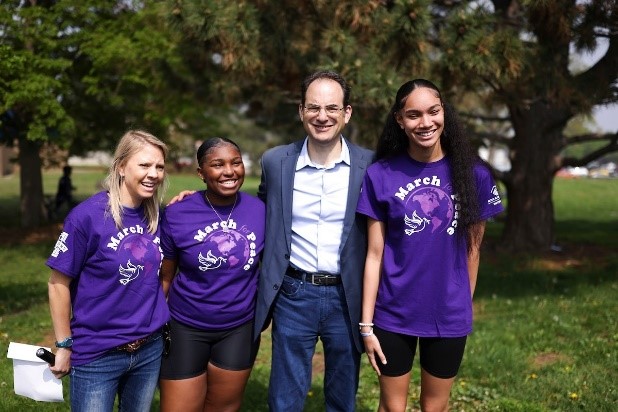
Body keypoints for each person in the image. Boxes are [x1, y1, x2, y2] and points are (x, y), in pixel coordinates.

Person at [356, 79, 504, 411]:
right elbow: (375, 254)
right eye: (414, 114)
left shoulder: (474, 175)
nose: (425, 123)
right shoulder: (381, 174)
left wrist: (461, 306)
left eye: (433, 112)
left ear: (444, 113)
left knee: (434, 406)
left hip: (447, 313)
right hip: (393, 312)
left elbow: (473, 250)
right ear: (399, 120)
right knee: (392, 407)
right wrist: (367, 325)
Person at [253, 70, 375, 411]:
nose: (322, 116)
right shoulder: (276, 162)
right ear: (301, 110)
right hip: (293, 293)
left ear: (347, 113)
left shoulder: (370, 165)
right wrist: (198, 202)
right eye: (314, 107)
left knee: (342, 395)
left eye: (332, 108)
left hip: (346, 295)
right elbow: (256, 210)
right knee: (285, 397)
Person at [46, 130, 170, 411]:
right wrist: (64, 344)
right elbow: (57, 284)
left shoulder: (158, 215)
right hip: (98, 354)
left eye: (159, 166)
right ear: (121, 167)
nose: (154, 174)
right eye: (144, 165)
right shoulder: (86, 217)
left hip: (148, 349)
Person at [159, 137, 265, 412]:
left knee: (223, 407)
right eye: (217, 165)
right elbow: (166, 276)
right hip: (185, 325)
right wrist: (153, 321)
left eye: (235, 163)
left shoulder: (261, 211)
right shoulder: (177, 213)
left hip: (239, 327)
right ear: (201, 173)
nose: (229, 171)